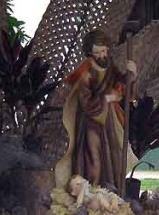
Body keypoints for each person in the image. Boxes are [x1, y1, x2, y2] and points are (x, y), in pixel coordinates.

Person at [54, 29, 137, 192]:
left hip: (108, 121)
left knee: (111, 157)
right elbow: (86, 104)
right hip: (90, 123)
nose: (102, 55)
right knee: (94, 159)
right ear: (90, 53)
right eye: (97, 52)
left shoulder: (109, 65)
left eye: (104, 51)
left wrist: (131, 74)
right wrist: (107, 98)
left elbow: (120, 81)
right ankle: (90, 193)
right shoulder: (86, 74)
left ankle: (109, 192)